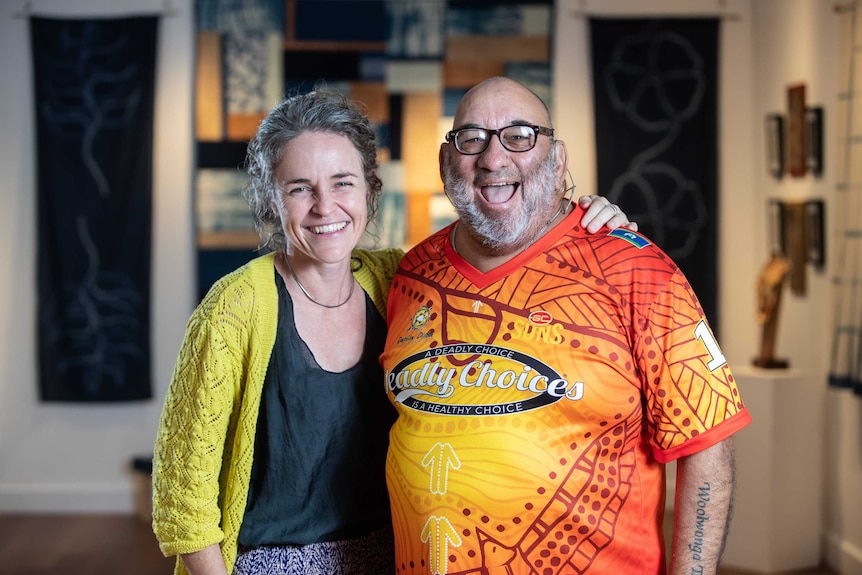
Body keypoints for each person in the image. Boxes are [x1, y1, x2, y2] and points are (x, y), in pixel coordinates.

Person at [151, 88, 634, 575]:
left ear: (369, 189)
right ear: (270, 198)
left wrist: (583, 220)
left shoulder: (402, 279)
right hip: (269, 563)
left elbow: (500, 261)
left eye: (342, 183)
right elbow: (183, 500)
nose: (325, 206)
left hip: (398, 555)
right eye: (300, 187)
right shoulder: (235, 307)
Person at [380, 77, 752, 575]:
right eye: (472, 138)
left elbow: (707, 446)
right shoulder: (411, 275)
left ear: (557, 161)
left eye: (519, 136)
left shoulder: (637, 271)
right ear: (448, 164)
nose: (493, 159)